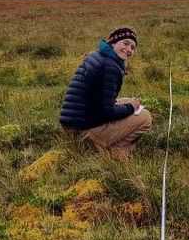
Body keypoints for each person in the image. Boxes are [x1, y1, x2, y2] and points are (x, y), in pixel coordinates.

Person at [59, 26, 152, 160]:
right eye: (125, 43)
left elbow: (102, 103)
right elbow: (106, 112)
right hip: (82, 131)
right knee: (145, 117)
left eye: (132, 47)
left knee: (127, 101)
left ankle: (106, 144)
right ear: (113, 43)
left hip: (72, 123)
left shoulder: (98, 55)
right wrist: (132, 107)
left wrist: (129, 105)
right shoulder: (110, 67)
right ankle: (114, 150)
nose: (129, 50)